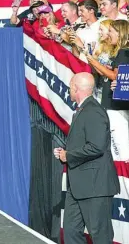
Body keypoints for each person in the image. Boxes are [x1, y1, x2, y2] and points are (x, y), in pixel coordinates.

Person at [54, 72, 119, 244]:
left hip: (95, 186)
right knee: (71, 233)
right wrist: (65, 152)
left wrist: (69, 155)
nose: (69, 90)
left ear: (76, 88)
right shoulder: (83, 110)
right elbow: (86, 144)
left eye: (70, 87)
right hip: (78, 187)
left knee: (100, 237)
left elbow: (96, 146)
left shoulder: (93, 111)